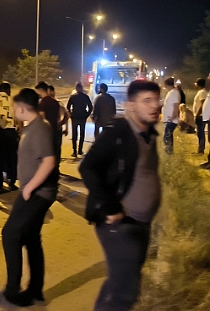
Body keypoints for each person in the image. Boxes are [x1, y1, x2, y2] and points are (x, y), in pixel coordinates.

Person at [80, 80, 161, 311]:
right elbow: (88, 167)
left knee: (121, 282)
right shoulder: (118, 132)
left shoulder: (150, 133)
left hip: (142, 224)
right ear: (131, 105)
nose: (155, 105)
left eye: (156, 99)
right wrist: (111, 207)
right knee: (126, 291)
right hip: (119, 225)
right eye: (147, 101)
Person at [0, 88, 58, 308]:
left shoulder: (39, 129)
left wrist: (29, 188)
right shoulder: (33, 126)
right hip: (35, 191)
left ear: (23, 108)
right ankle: (35, 291)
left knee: (10, 235)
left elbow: (49, 161)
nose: (14, 111)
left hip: (37, 193)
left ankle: (11, 293)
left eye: (16, 107)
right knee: (32, 238)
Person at [35, 82, 62, 169]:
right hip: (55, 130)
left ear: (40, 90)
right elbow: (58, 116)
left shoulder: (42, 103)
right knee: (55, 152)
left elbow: (42, 117)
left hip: (46, 132)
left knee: (47, 154)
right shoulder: (55, 102)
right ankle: (56, 171)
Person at [66, 82, 93, 157]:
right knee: (82, 134)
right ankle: (80, 150)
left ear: (76, 88)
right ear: (82, 88)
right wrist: (86, 114)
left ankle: (74, 151)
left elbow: (68, 107)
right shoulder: (85, 97)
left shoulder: (73, 97)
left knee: (74, 134)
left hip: (74, 117)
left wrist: (71, 114)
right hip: (82, 117)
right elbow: (90, 107)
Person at [162, 77, 180, 154]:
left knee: (167, 137)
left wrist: (173, 116)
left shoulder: (174, 93)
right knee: (168, 136)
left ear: (166, 84)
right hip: (170, 119)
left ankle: (169, 152)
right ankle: (169, 151)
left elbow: (176, 105)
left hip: (172, 120)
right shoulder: (171, 92)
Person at [193, 78, 207, 154]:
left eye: (196, 83)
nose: (195, 84)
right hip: (199, 115)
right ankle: (200, 149)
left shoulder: (202, 92)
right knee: (199, 132)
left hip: (200, 116)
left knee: (200, 133)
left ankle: (201, 150)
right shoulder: (201, 92)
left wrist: (197, 114)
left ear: (198, 84)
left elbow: (203, 104)